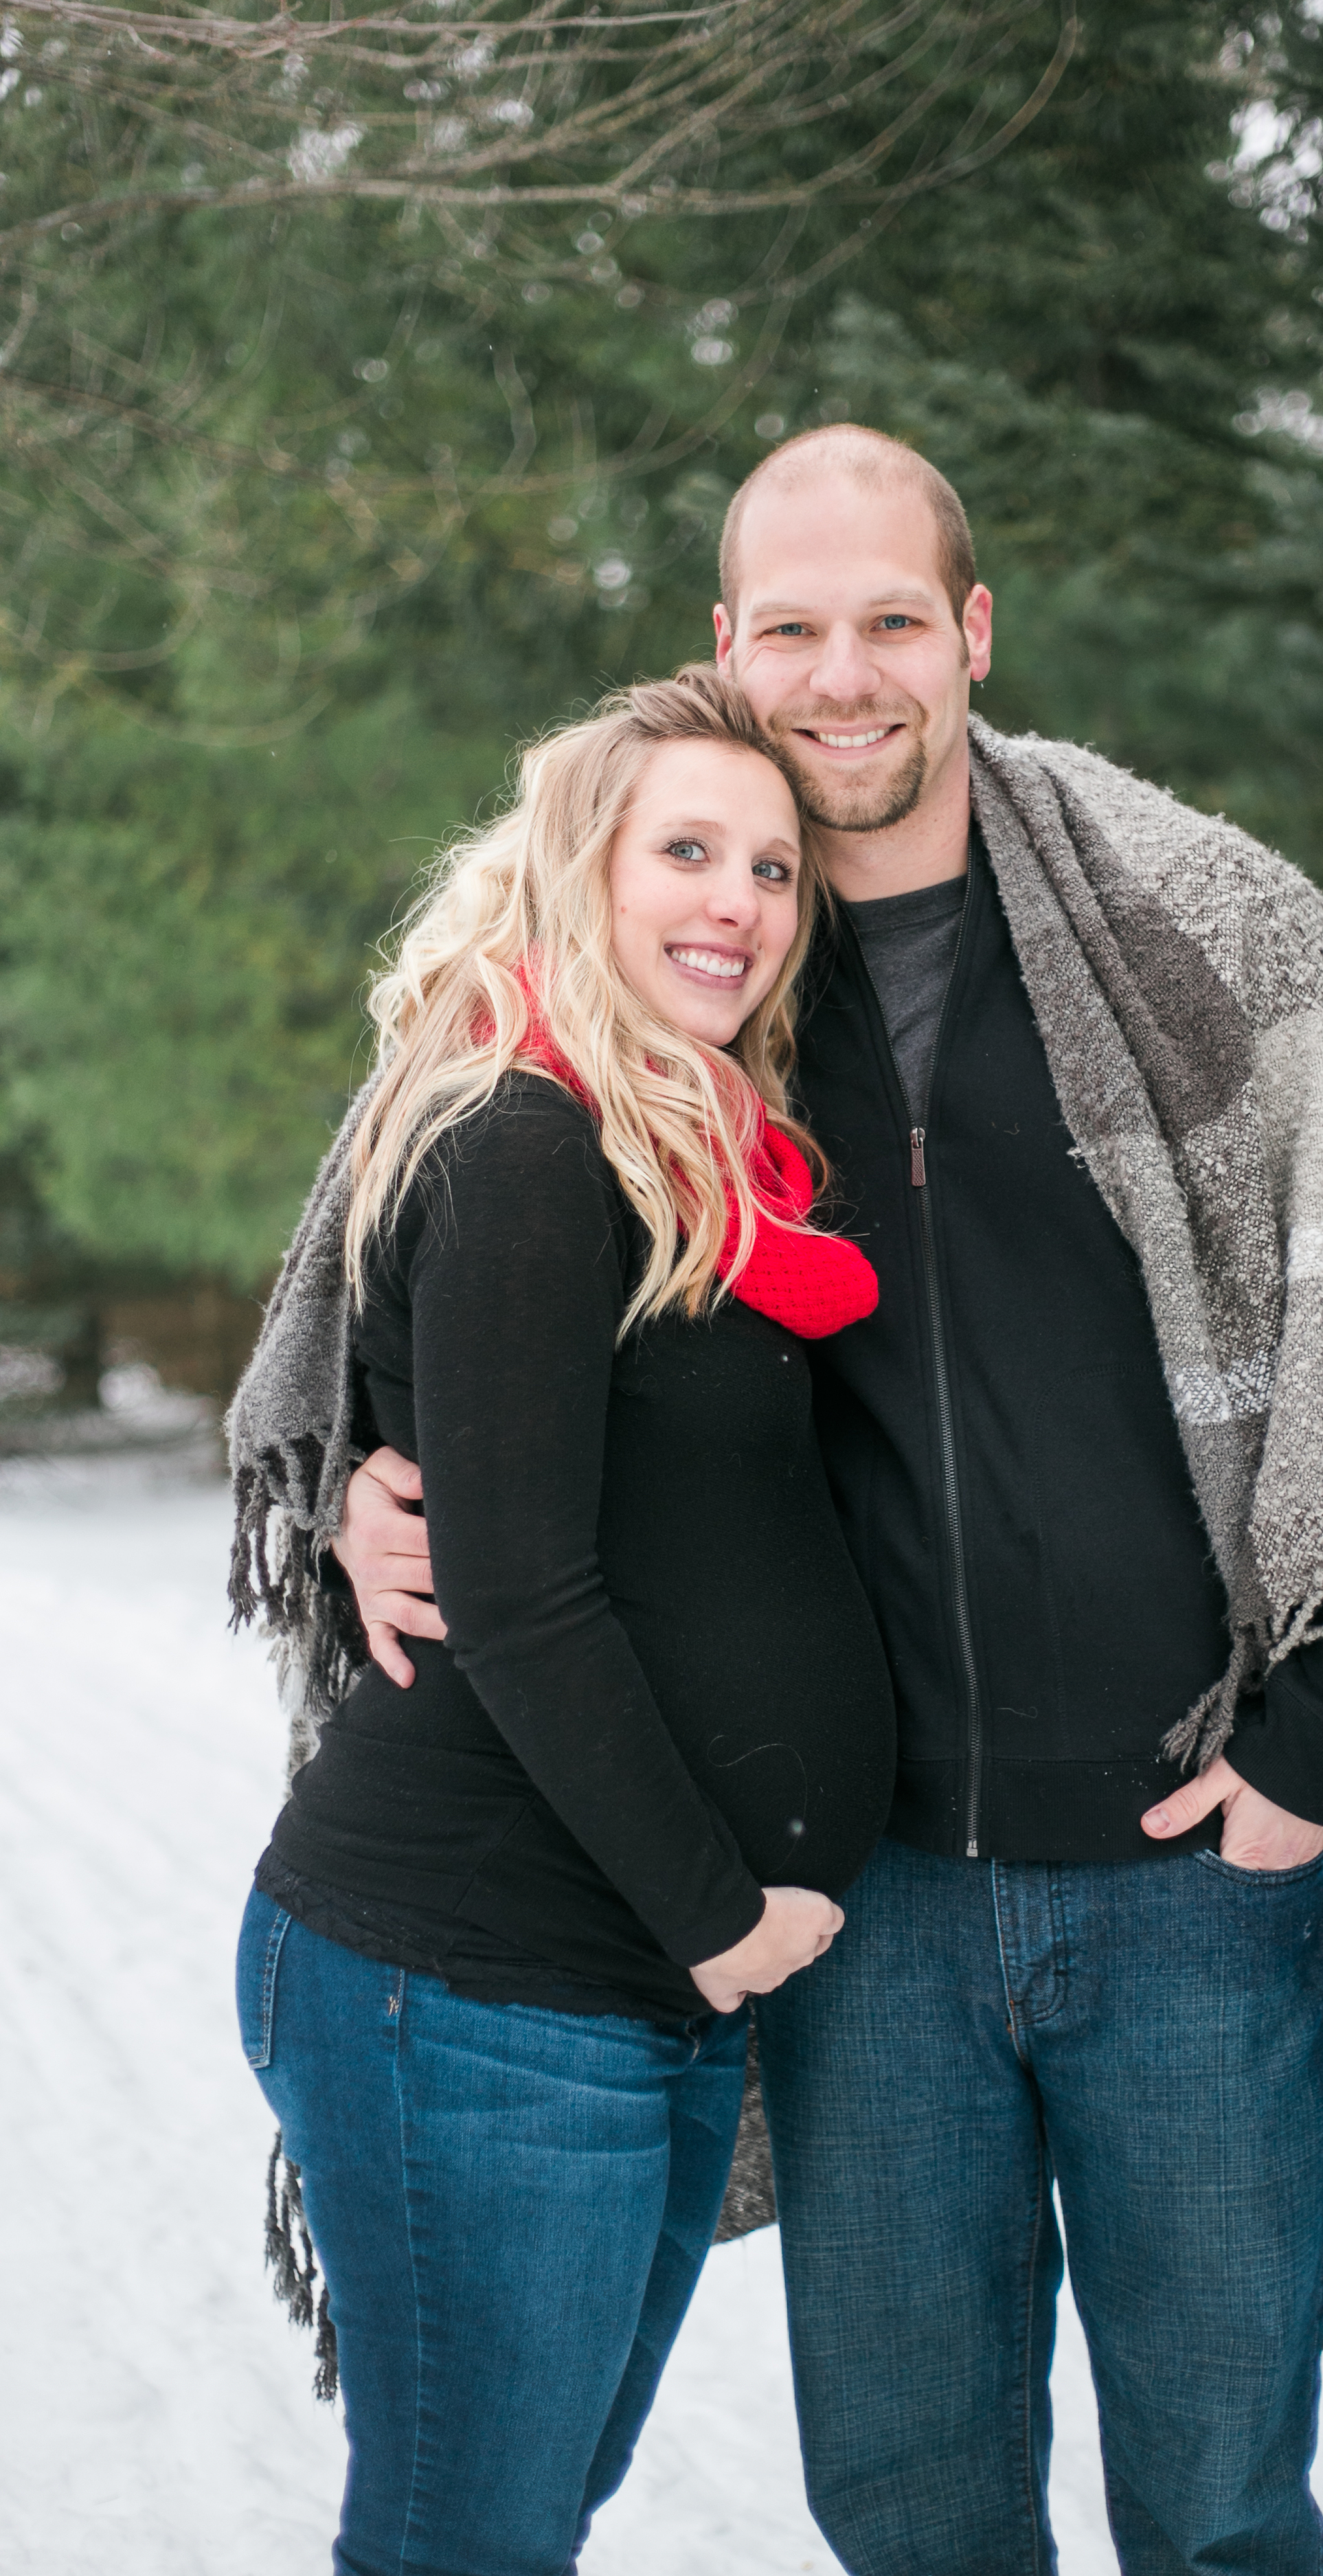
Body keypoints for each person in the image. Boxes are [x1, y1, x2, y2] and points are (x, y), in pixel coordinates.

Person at [310, 431, 1323, 2576]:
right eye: (790, 628)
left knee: (1216, 2516)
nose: (845, 673)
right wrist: (359, 1471)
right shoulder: (670, 974)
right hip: (864, 1900)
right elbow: (430, 1216)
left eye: (892, 618)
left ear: (969, 633)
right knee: (908, 2508)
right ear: (728, 652)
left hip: (1189, 1867)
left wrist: (1304, 1740)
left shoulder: (1207, 931)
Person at [229, 667, 896, 2576]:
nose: (738, 903)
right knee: (474, 2535)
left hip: (619, 1986)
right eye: (684, 850)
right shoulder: (529, 1141)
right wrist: (723, 1918)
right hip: (479, 1976)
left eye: (772, 868)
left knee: (524, 2510)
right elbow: (521, 1593)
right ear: (574, 870)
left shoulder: (706, 1159)